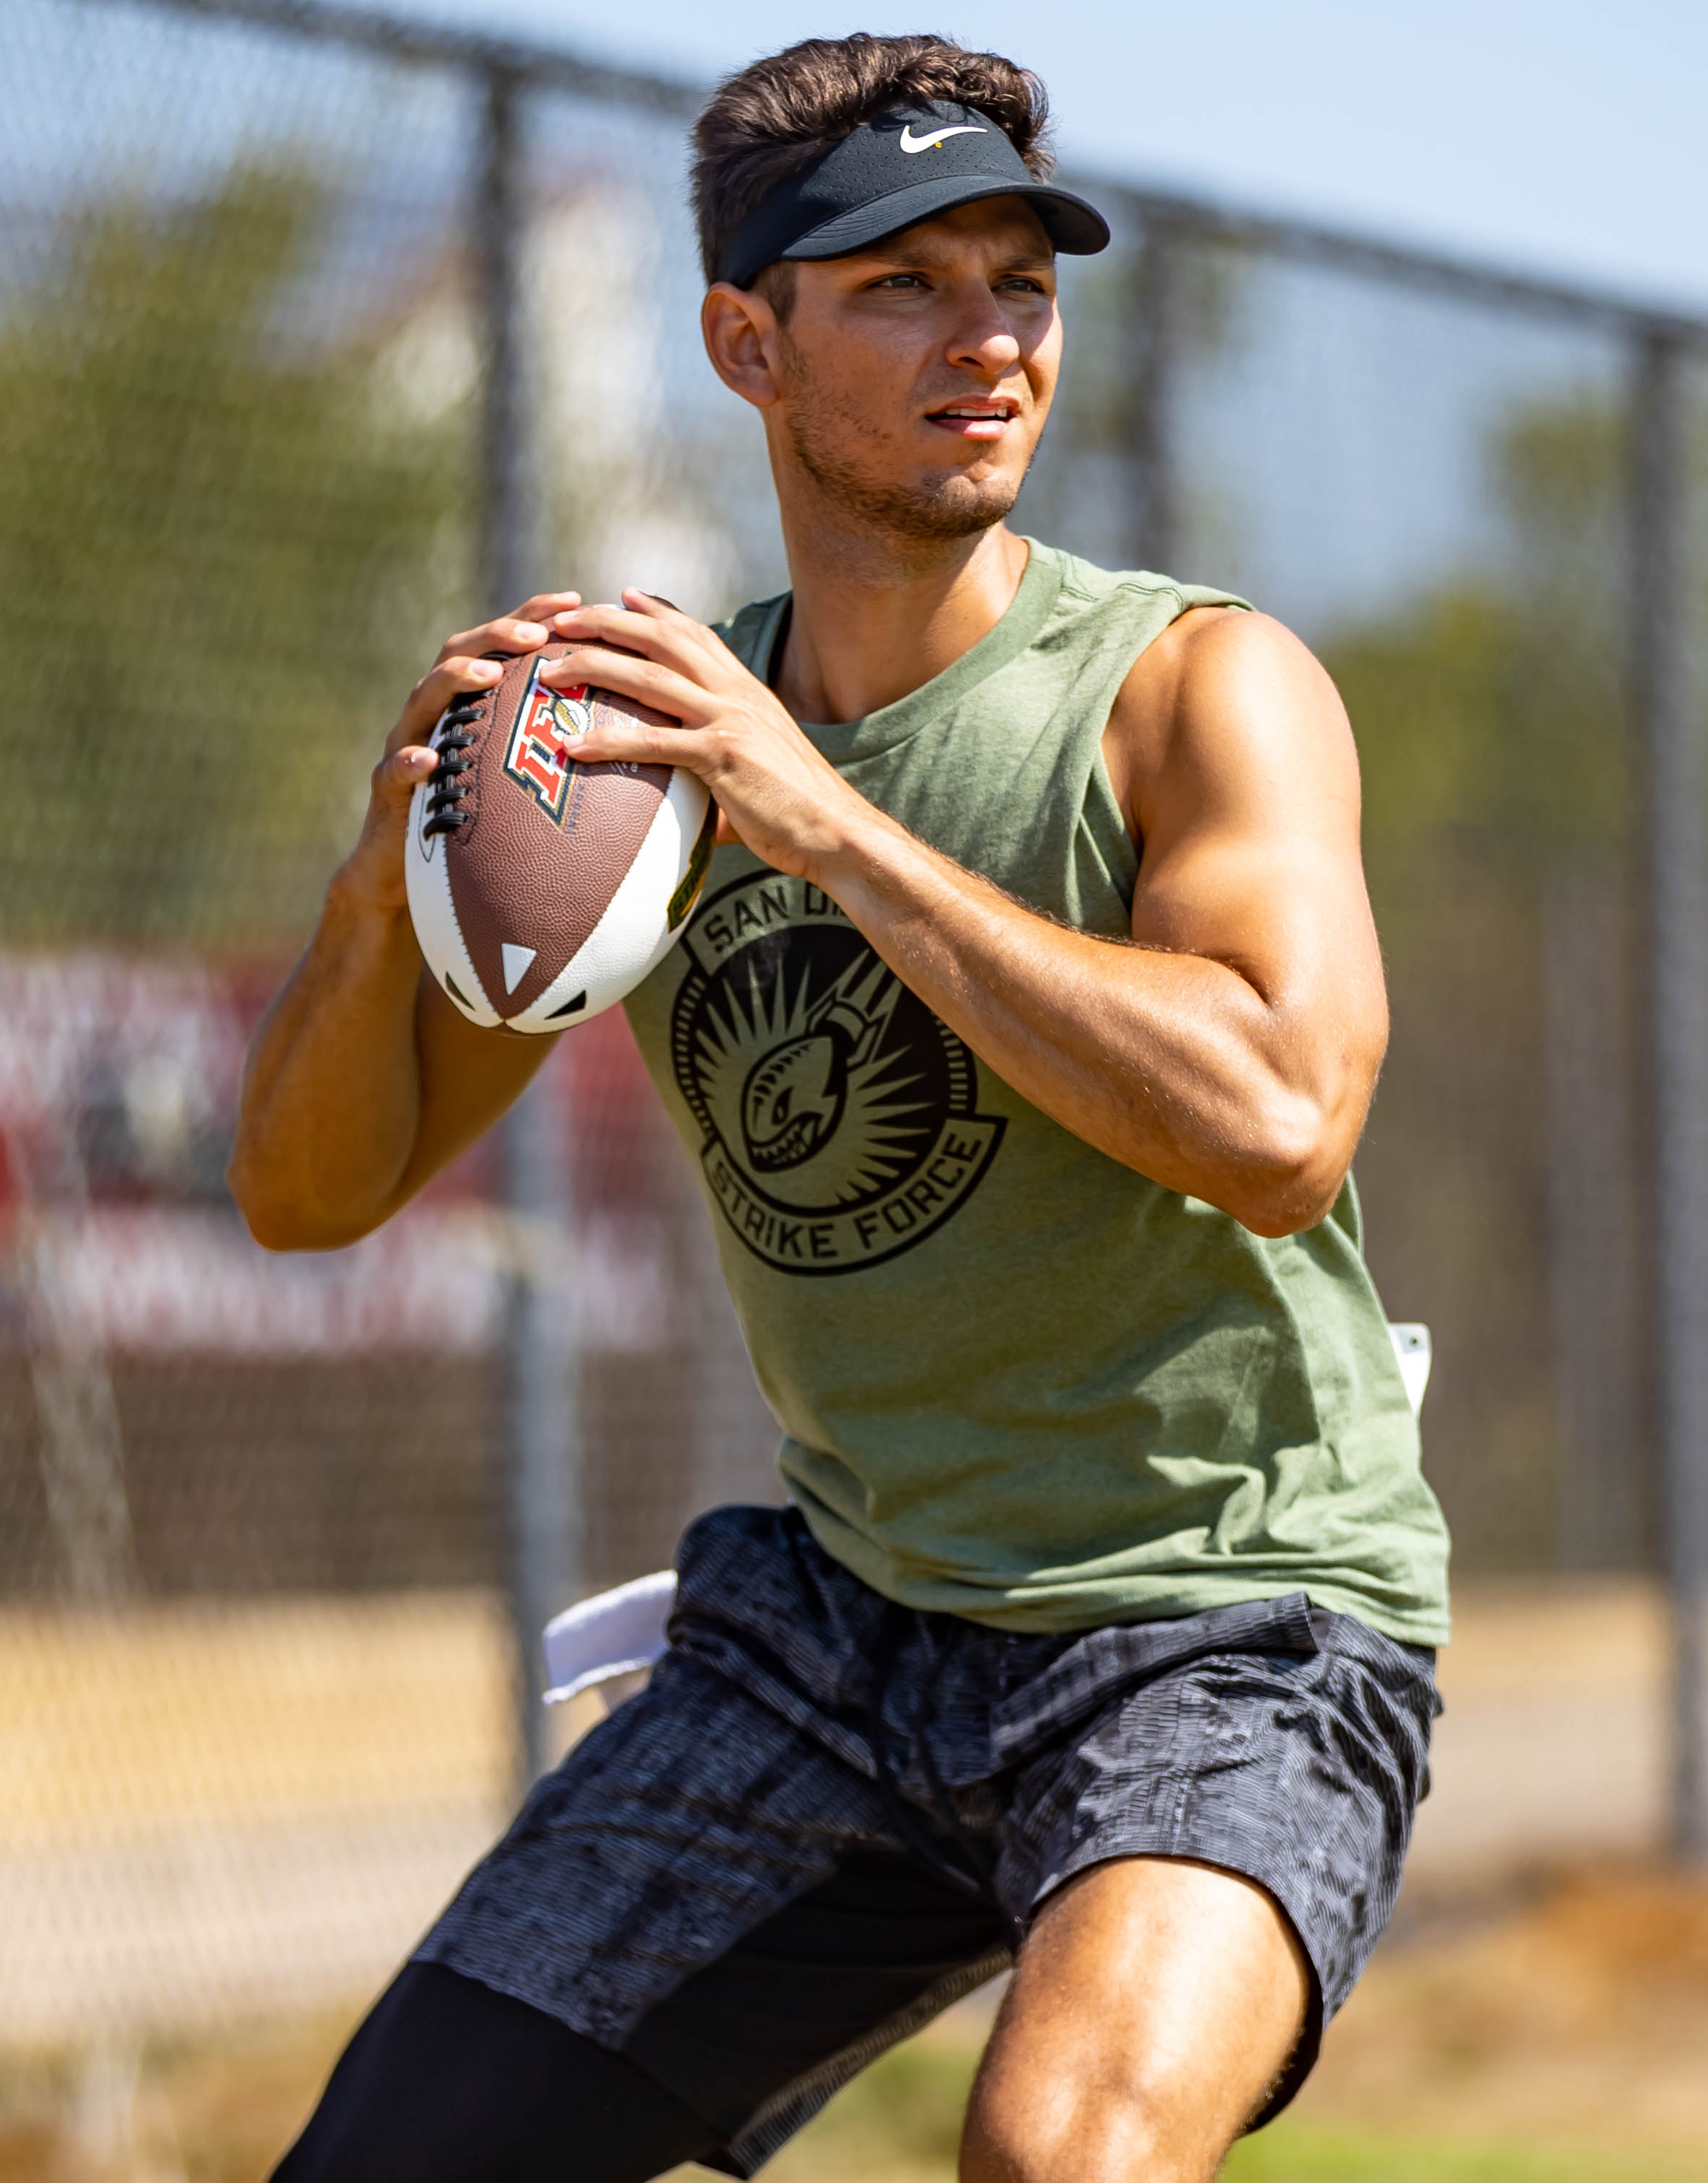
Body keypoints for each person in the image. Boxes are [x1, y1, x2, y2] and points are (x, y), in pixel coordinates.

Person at [229, 31, 1450, 2183]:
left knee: (1061, 2159)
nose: (990, 340)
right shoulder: (645, 769)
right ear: (747, 344)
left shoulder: (1190, 686)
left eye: (1021, 282)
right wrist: (375, 884)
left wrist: (828, 824)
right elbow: (312, 1195)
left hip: (1230, 1617)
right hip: (848, 1627)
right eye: (902, 286)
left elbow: (1281, 1123)